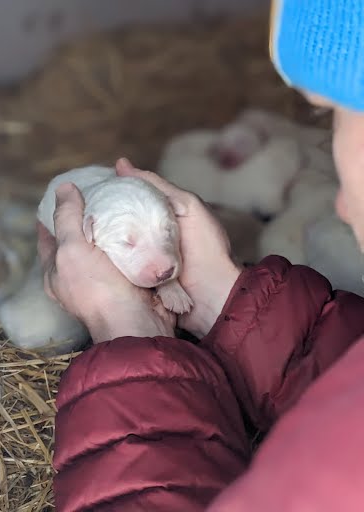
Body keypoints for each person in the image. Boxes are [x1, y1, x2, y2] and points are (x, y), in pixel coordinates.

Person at [41, 1, 364, 510]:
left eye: (334, 112)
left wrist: (125, 326)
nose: (341, 202)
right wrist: (220, 296)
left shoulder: (329, 474)